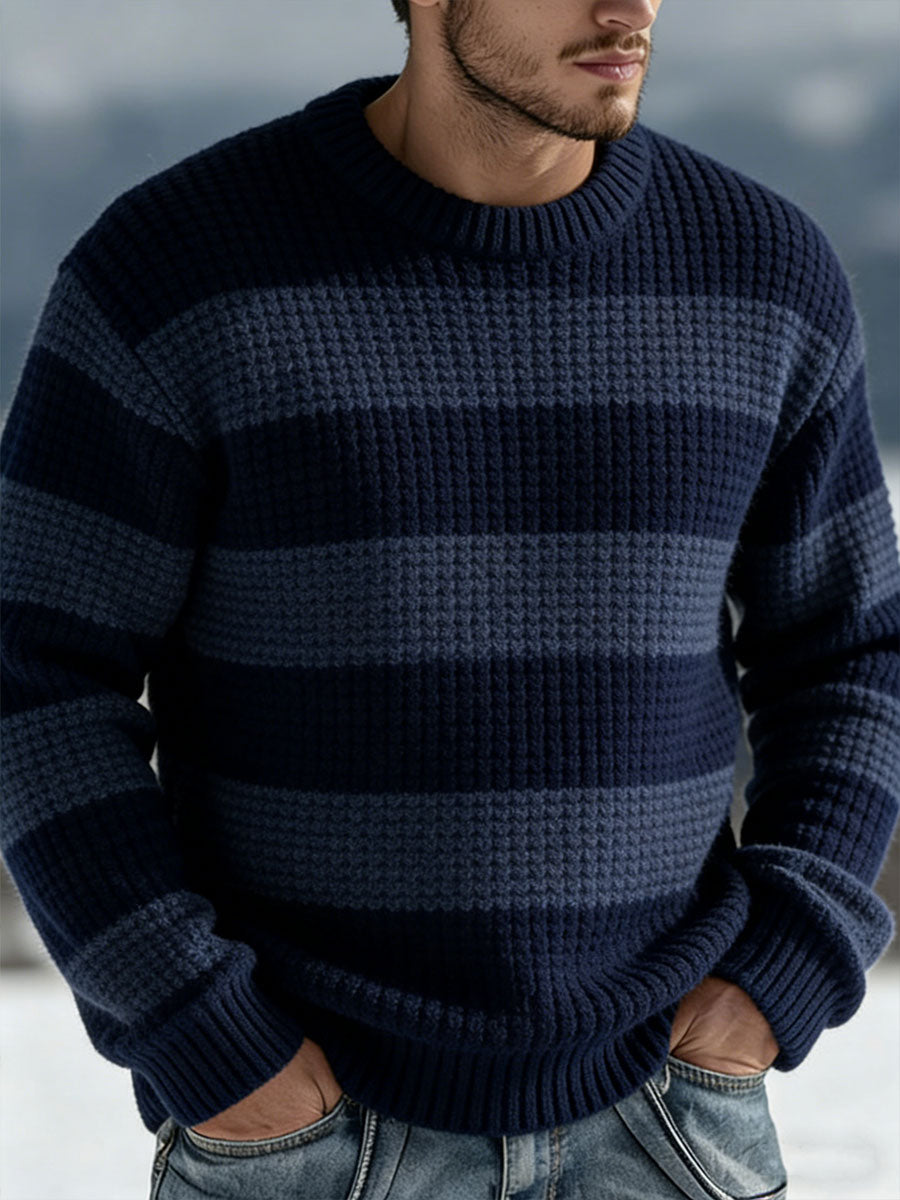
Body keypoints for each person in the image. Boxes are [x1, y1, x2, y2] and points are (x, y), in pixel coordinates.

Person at [2, 0, 898, 1196]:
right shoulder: (174, 271)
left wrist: (780, 969)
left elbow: (850, 655)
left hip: (669, 1118)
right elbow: (39, 679)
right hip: (306, 1133)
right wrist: (203, 1034)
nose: (627, 7)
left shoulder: (765, 272)